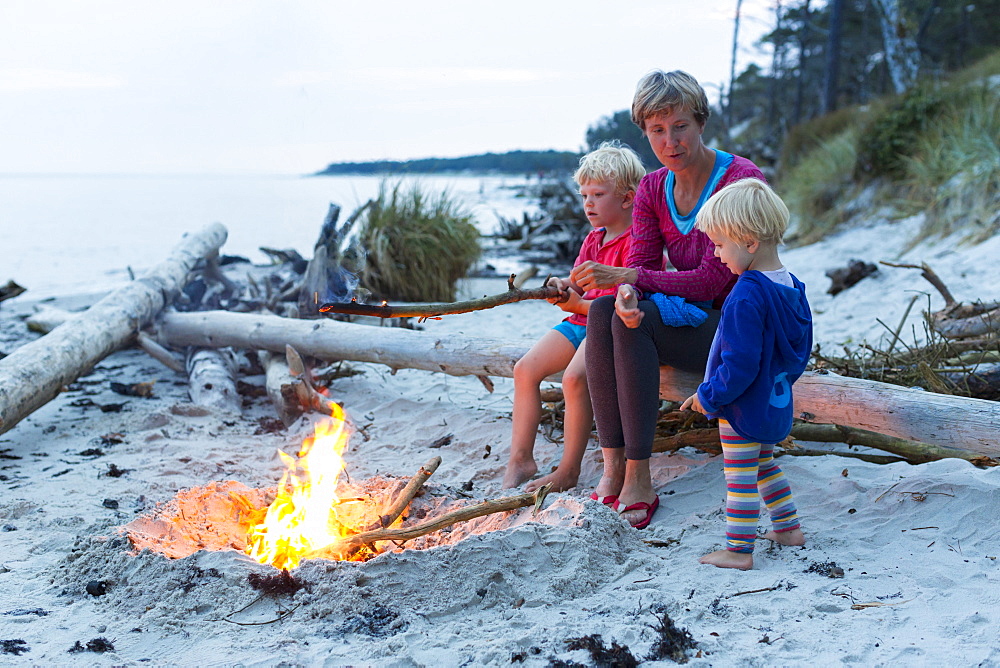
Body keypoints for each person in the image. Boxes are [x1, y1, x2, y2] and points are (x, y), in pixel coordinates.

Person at [570, 70, 767, 530]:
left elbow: (707, 283)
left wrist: (629, 277)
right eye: (657, 130)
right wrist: (624, 294)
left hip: (740, 325)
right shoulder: (653, 188)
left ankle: (639, 475)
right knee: (605, 311)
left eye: (680, 126)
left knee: (634, 319)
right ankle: (614, 464)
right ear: (645, 132)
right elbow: (639, 265)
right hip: (699, 320)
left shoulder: (738, 179)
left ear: (700, 123)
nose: (670, 141)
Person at [680, 178, 812, 570]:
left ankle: (738, 550)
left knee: (739, 475)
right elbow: (800, 353)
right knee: (765, 464)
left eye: (720, 244)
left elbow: (739, 364)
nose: (717, 254)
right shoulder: (793, 287)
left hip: (741, 405)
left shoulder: (746, 294)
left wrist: (709, 395)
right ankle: (788, 529)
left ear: (749, 242)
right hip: (774, 400)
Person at [502, 142, 646, 493]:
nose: (588, 204)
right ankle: (520, 458)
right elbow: (577, 280)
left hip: (608, 328)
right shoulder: (594, 238)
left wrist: (578, 305)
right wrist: (560, 286)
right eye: (584, 195)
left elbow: (621, 303)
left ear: (627, 199)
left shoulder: (638, 241)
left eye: (598, 194)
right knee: (525, 369)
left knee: (573, 380)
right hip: (579, 321)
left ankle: (568, 469)